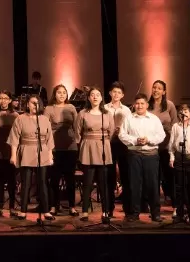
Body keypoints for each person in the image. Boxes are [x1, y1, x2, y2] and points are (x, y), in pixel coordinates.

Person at [118, 93, 166, 222]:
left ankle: (155, 213)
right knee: (134, 185)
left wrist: (149, 140)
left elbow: (161, 135)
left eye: (142, 103)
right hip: (134, 155)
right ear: (134, 105)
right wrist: (135, 140)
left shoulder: (154, 119)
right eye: (137, 103)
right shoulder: (129, 118)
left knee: (153, 185)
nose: (139, 106)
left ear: (147, 105)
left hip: (151, 155)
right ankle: (134, 213)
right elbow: (122, 135)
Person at [75, 86, 114, 223]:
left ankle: (105, 211)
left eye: (98, 94)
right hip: (88, 149)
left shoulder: (107, 114)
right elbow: (77, 132)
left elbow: (112, 131)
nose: (95, 97)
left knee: (103, 184)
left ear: (102, 98)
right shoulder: (83, 113)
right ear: (89, 97)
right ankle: (85, 211)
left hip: (103, 147)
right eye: (92, 94)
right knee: (87, 183)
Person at [167, 102, 190, 225]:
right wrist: (172, 158)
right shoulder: (175, 127)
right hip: (179, 159)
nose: (183, 113)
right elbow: (171, 145)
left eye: (186, 111)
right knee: (179, 187)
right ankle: (179, 213)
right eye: (181, 111)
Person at [44, 83, 78, 217]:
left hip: (70, 146)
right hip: (54, 146)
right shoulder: (49, 108)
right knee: (54, 178)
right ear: (54, 94)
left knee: (70, 178)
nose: (62, 95)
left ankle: (72, 206)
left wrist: (77, 141)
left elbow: (77, 127)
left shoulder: (71, 107)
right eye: (59, 92)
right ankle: (54, 205)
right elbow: (46, 128)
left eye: (64, 92)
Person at [148, 80, 179, 207]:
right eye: (154, 87)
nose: (156, 90)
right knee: (153, 177)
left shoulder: (169, 105)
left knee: (169, 175)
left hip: (166, 146)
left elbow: (175, 125)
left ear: (164, 91)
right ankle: (154, 204)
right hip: (151, 146)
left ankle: (174, 204)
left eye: (159, 88)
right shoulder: (146, 105)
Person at [105, 82, 133, 216]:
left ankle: (128, 208)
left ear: (122, 95)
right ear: (110, 93)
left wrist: (120, 130)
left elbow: (129, 128)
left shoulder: (127, 110)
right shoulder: (104, 108)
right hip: (108, 143)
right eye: (114, 91)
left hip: (123, 144)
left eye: (119, 92)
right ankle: (108, 209)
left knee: (126, 176)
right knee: (109, 177)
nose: (116, 94)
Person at [0, 90, 18, 217]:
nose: (3, 100)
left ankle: (12, 207)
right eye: (1, 98)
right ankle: (0, 207)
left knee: (12, 181)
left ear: (10, 100)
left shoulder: (15, 115)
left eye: (6, 98)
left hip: (11, 150)